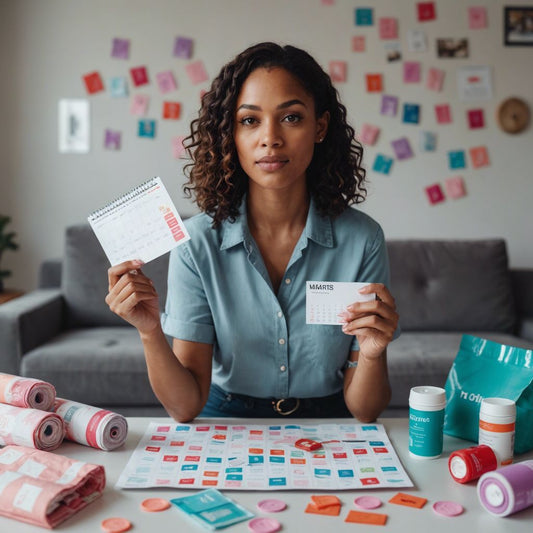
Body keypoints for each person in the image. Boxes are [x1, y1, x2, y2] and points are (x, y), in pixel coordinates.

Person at [106, 42, 399, 423]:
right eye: (249, 120)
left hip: (330, 423)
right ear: (230, 133)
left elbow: (366, 409)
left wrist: (373, 352)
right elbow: (184, 406)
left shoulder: (363, 240)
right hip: (227, 418)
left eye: (291, 118)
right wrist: (149, 331)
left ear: (320, 127)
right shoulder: (196, 244)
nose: (270, 138)